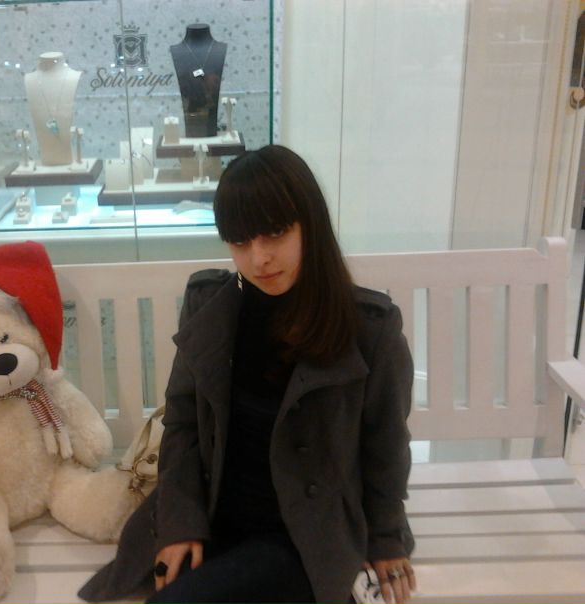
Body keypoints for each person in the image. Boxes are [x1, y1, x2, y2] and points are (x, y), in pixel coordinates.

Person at [79, 145, 416, 604]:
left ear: (310, 225)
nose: (259, 259)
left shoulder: (368, 330)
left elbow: (385, 446)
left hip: (301, 535)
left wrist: (387, 539)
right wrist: (180, 521)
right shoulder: (211, 308)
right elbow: (183, 426)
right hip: (214, 516)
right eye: (240, 242)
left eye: (275, 233)